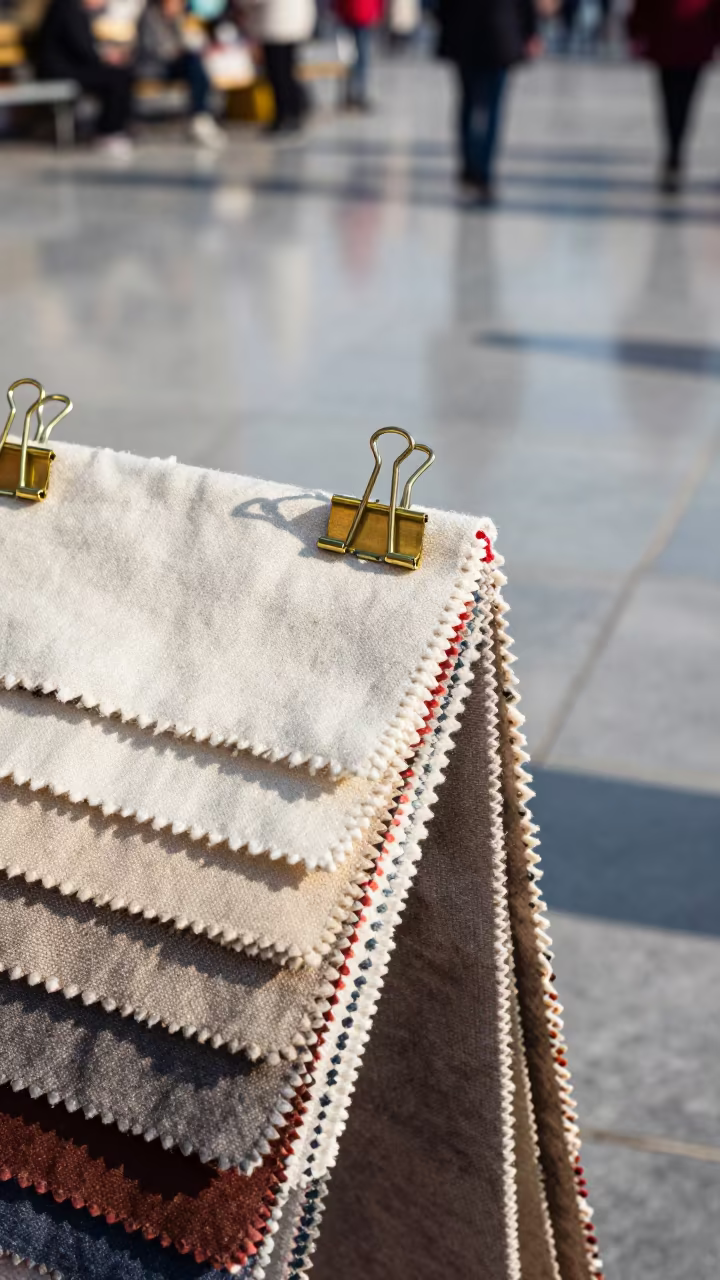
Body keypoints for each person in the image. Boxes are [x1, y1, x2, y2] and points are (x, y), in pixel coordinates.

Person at [437, 0, 538, 204]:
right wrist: (530, 30)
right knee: (492, 107)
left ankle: (470, 166)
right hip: (500, 33)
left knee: (468, 102)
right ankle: (482, 170)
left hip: (465, 32)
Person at [628, 0, 720, 193]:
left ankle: (674, 147)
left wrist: (636, 30)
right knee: (681, 101)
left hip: (673, 41)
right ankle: (675, 147)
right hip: (689, 42)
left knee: (671, 101)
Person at [34, 0, 134, 153]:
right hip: (60, 71)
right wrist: (105, 57)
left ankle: (114, 127)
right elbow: (81, 46)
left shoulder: (71, 7)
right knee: (116, 78)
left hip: (69, 67)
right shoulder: (67, 8)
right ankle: (108, 131)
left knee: (119, 74)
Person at [137, 0, 226, 148]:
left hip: (176, 64)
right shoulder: (150, 18)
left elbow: (187, 40)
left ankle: (200, 115)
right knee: (193, 65)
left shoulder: (180, 18)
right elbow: (154, 48)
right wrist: (178, 51)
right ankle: (200, 115)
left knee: (196, 65)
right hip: (154, 66)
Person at [251, 0, 316, 133]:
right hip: (291, 23)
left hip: (276, 24)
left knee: (278, 74)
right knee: (287, 71)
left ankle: (284, 115)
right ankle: (293, 112)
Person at [335, 0, 383, 108]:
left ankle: (351, 92)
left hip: (350, 14)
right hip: (360, 14)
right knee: (359, 58)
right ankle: (358, 93)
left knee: (348, 57)